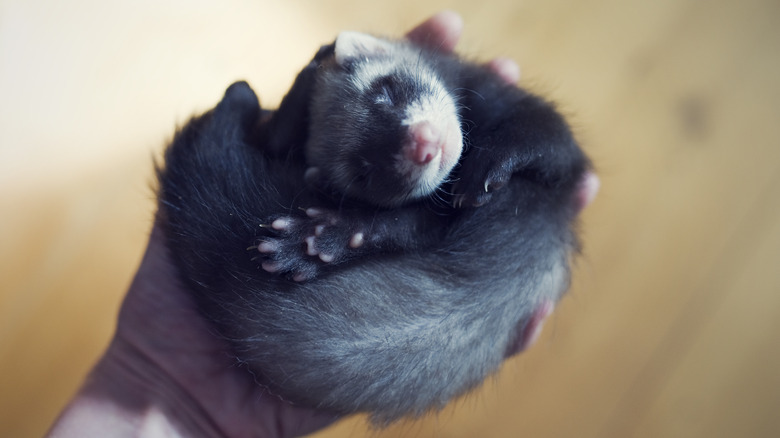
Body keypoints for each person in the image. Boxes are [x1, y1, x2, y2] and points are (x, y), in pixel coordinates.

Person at [47, 11, 594, 437]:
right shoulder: (458, 187)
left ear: (376, 52)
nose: (419, 144)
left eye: (389, 92)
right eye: (371, 165)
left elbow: (556, 153)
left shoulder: (493, 117)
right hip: (335, 318)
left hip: (351, 305)